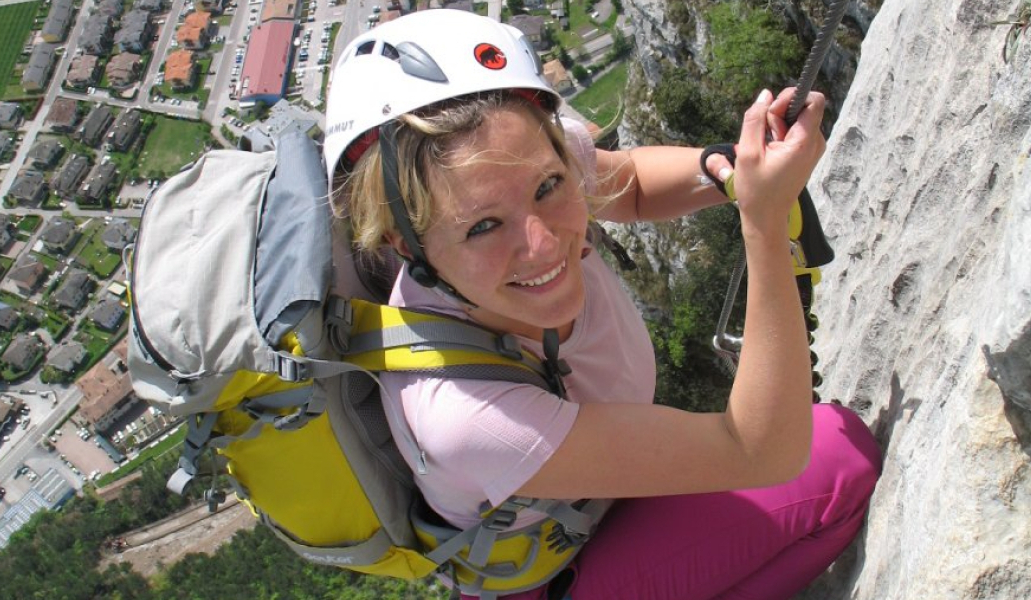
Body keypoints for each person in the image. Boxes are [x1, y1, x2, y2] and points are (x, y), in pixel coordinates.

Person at [324, 9, 880, 600]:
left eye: (549, 188)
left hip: (596, 501)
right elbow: (765, 452)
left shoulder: (515, 157)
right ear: (402, 244)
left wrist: (727, 174)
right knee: (838, 464)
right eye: (484, 226)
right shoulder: (470, 418)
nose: (542, 245)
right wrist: (765, 225)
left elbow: (632, 184)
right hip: (554, 573)